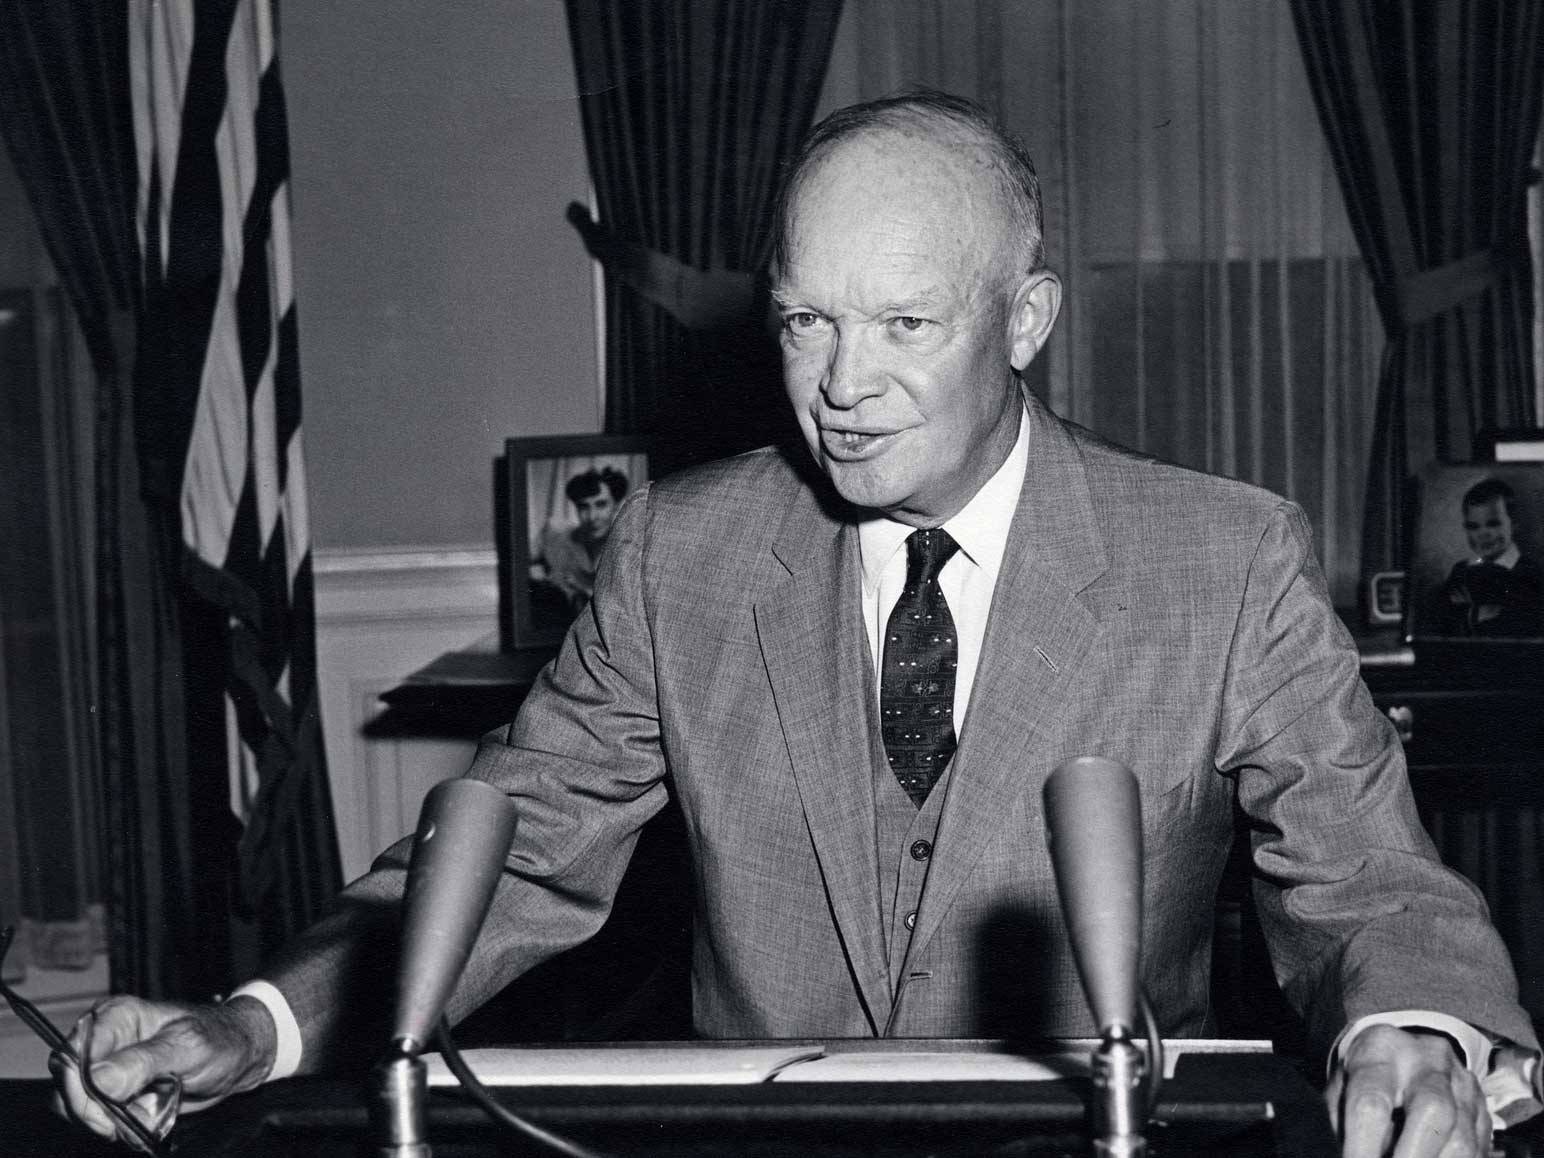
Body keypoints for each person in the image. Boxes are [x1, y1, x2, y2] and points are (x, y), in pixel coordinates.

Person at [56, 92, 1539, 1158]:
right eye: (804, 321)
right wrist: (253, 1026)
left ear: (1026, 319)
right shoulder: (676, 556)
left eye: (904, 325)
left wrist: (1414, 1032)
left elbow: (1370, 880)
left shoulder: (1222, 557)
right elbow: (504, 840)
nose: (840, 383)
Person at [1431, 477, 1544, 638]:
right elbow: (1440, 622)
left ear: (1514, 524)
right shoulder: (1460, 571)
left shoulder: (1531, 573)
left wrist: (1467, 613)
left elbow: (1525, 625)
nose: (1483, 534)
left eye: (1493, 524)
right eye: (1473, 526)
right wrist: (1478, 614)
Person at [539, 466, 629, 614]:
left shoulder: (628, 546)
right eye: (584, 507)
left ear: (616, 505)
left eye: (601, 504)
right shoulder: (558, 535)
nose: (592, 517)